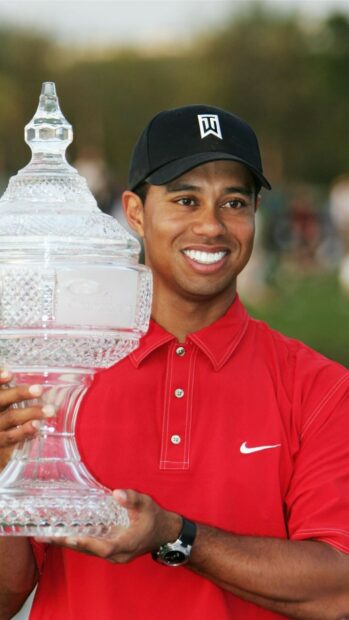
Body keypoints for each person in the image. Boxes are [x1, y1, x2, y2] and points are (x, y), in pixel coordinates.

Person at [1, 105, 349, 620]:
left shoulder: (319, 387)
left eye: (233, 202)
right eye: (186, 200)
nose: (211, 226)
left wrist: (177, 537)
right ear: (135, 212)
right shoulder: (60, 371)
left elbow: (338, 589)